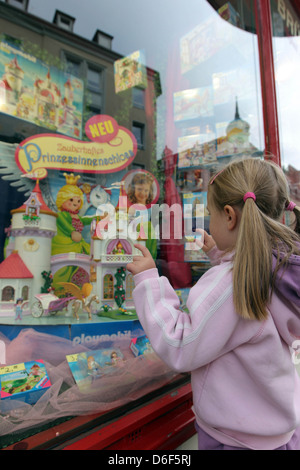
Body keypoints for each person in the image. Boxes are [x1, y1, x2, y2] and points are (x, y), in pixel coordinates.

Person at [126, 157, 300, 450]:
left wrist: (147, 280)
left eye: (211, 214)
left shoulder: (230, 284)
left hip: (233, 441)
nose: (210, 221)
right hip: (278, 435)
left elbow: (180, 343)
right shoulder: (276, 272)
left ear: (229, 216)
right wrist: (222, 255)